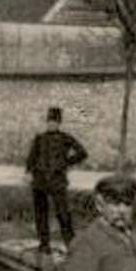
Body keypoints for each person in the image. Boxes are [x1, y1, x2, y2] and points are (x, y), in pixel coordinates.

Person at [24, 106, 88, 254]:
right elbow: (31, 158)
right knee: (41, 214)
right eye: (49, 121)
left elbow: (82, 153)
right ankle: (44, 244)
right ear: (46, 122)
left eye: (55, 121)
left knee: (63, 214)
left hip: (57, 181)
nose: (52, 124)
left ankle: (71, 245)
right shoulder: (39, 138)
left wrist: (66, 162)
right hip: (39, 181)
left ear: (59, 123)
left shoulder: (65, 138)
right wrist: (28, 172)